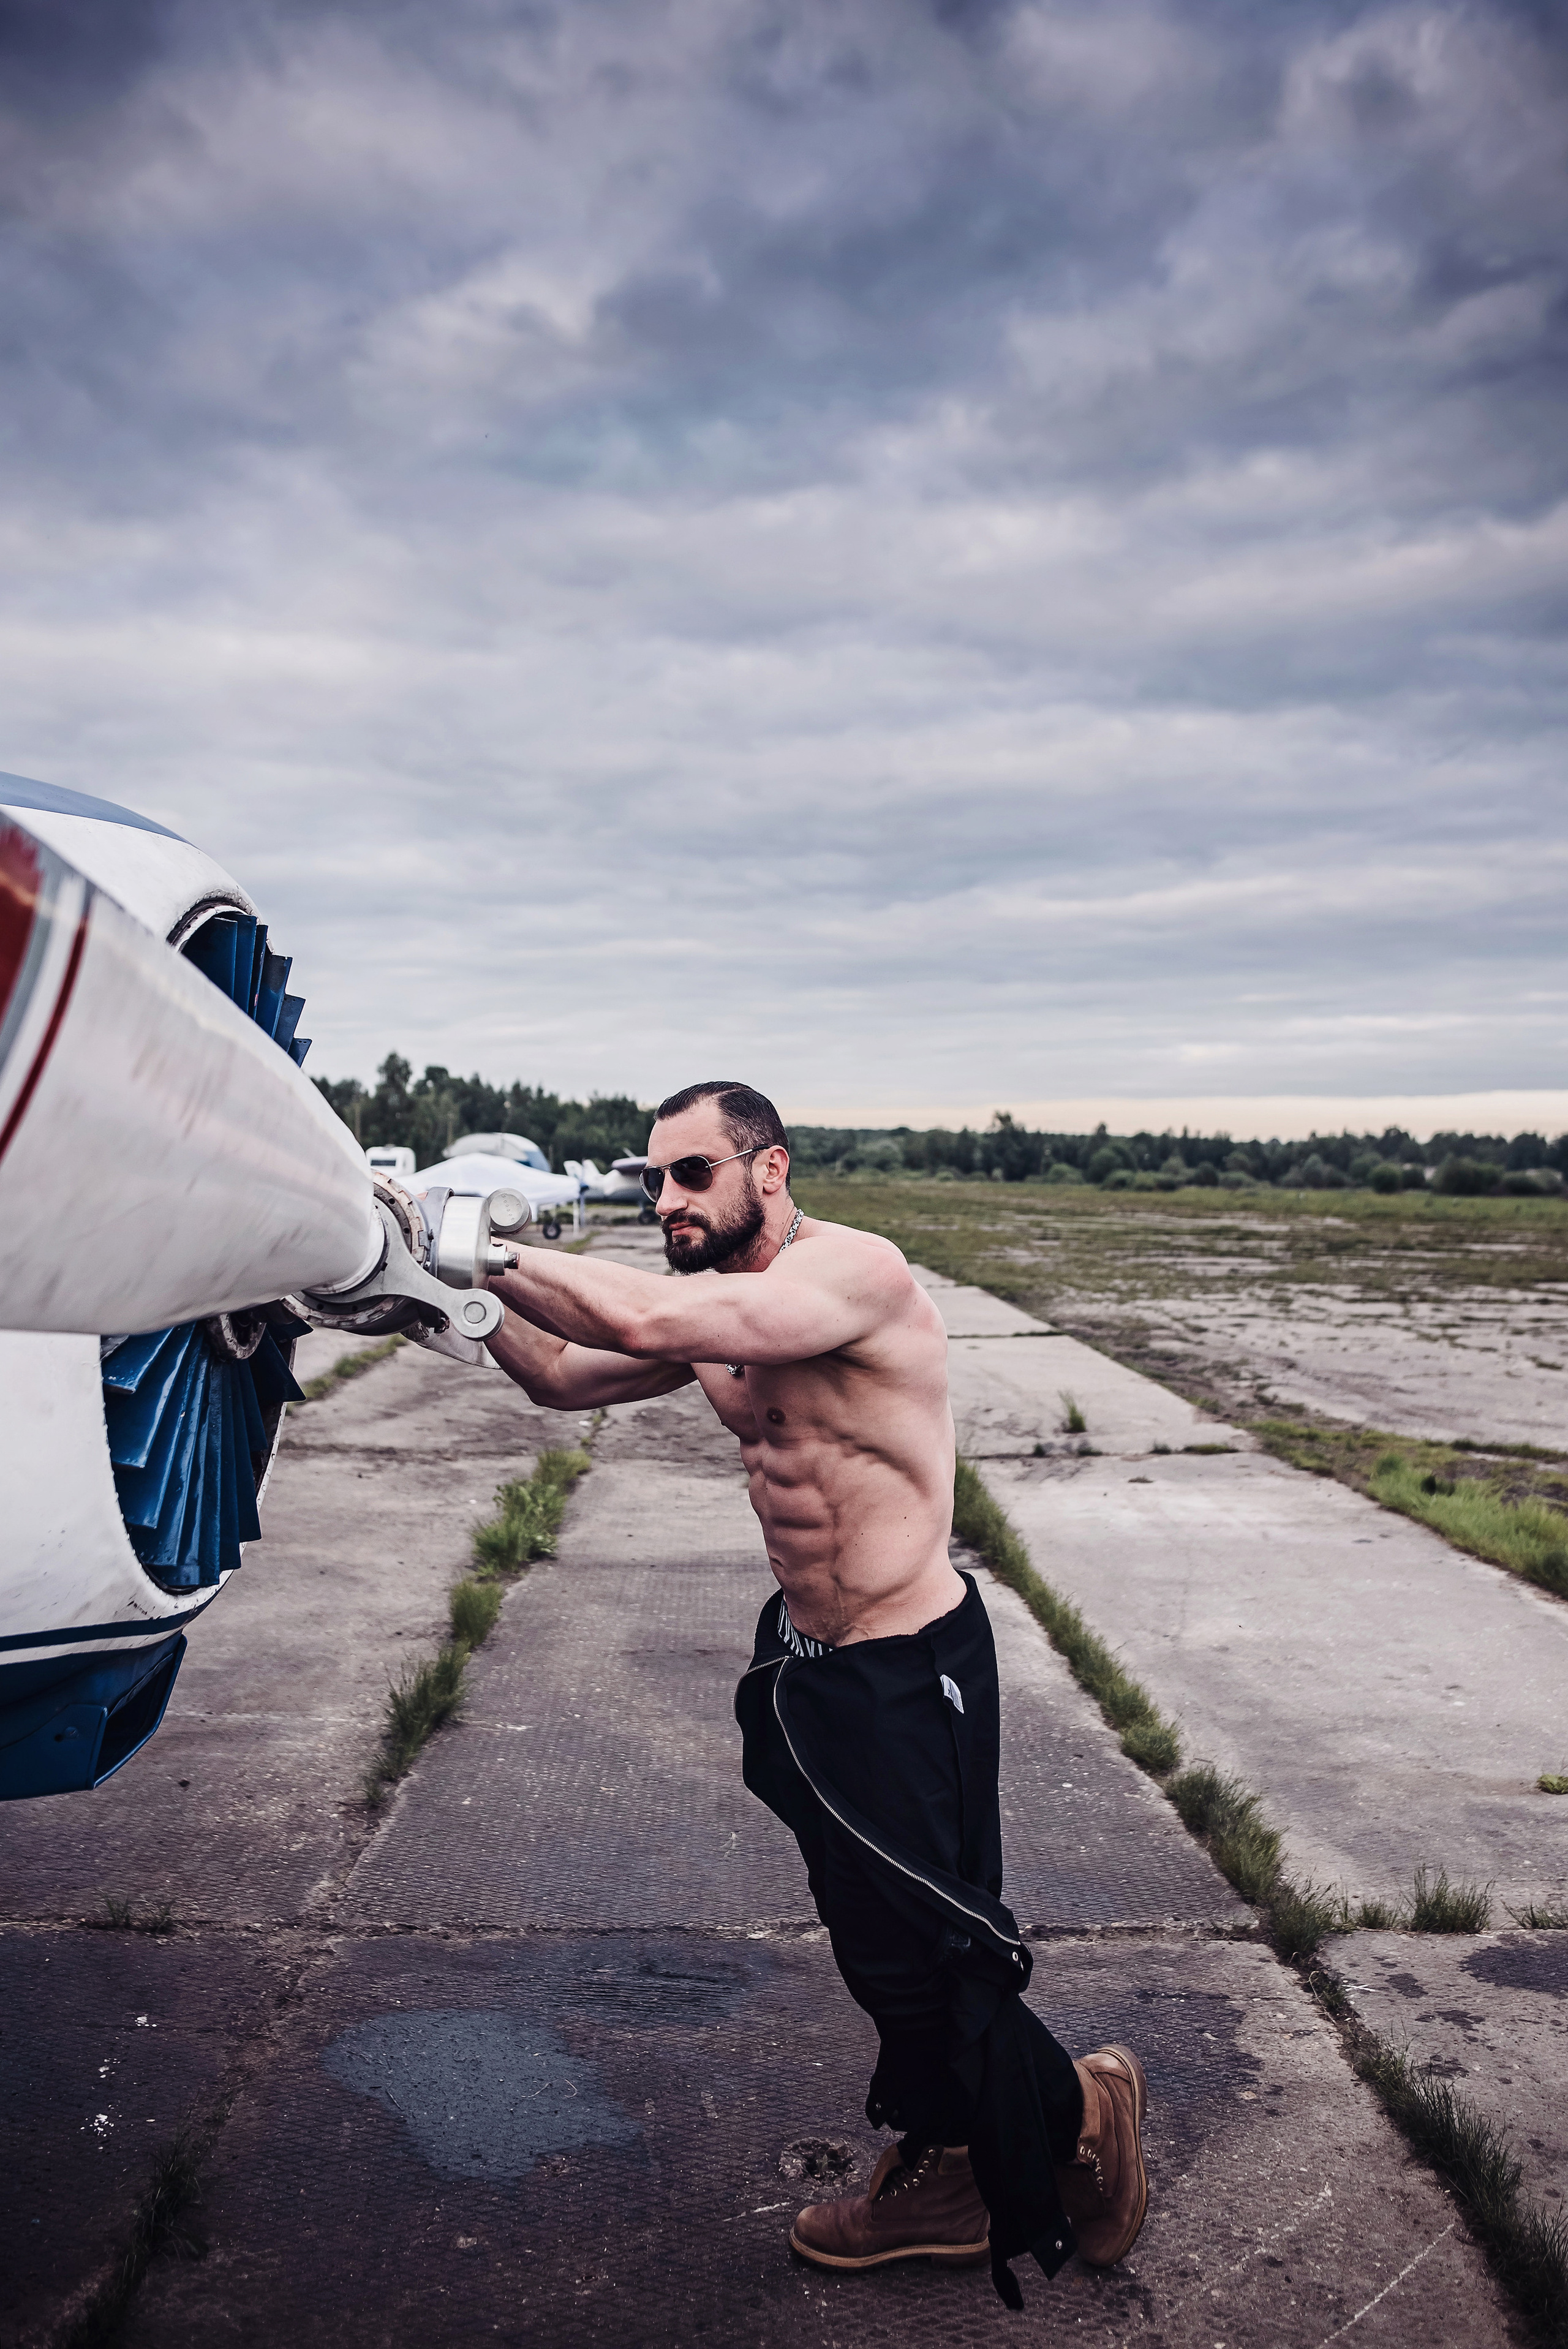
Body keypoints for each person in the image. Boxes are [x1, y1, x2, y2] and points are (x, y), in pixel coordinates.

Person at [483, 1079, 1148, 2306]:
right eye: (652, 1180)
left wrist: (474, 1239)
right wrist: (435, 1303)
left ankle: (1079, 2120)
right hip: (813, 1672)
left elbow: (631, 1324)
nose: (665, 1198)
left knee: (936, 1955)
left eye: (691, 1173)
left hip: (910, 1668)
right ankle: (951, 2157)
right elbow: (567, 1377)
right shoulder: (706, 1312)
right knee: (871, 1947)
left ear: (769, 1169)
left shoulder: (854, 1277)